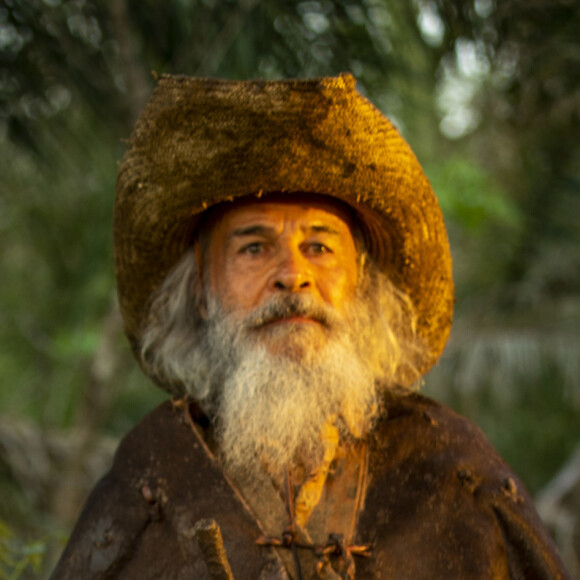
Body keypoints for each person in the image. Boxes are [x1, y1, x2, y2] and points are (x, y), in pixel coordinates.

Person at [51, 74, 570, 580]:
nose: (293, 276)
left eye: (319, 247)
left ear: (361, 286)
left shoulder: (450, 468)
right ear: (201, 293)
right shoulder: (153, 480)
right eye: (254, 248)